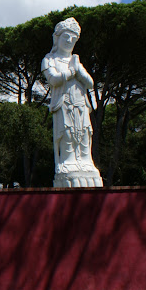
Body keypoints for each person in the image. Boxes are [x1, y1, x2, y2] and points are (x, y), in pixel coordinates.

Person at [41, 17, 102, 187]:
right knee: (67, 133)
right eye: (66, 37)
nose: (69, 41)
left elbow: (90, 83)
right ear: (57, 38)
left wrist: (79, 71)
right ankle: (68, 163)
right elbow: (53, 80)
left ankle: (85, 163)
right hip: (63, 103)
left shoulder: (76, 61)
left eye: (73, 39)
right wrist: (71, 72)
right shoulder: (49, 60)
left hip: (81, 103)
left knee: (84, 133)